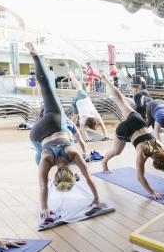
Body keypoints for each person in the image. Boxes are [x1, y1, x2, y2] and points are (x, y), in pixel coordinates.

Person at [26, 42, 105, 219]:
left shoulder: (73, 154)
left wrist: (97, 198)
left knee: (47, 89)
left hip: (54, 120)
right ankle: (42, 116)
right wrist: (44, 209)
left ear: (71, 173)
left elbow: (89, 177)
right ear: (57, 176)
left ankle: (35, 55)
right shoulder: (47, 160)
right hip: (37, 134)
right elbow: (44, 186)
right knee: (39, 157)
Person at [101, 75, 164, 199]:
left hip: (137, 121)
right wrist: (152, 193)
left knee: (121, 101)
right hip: (125, 129)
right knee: (116, 152)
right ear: (154, 162)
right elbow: (140, 177)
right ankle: (104, 163)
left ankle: (106, 80)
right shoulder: (143, 153)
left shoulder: (163, 149)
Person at [69, 73, 109, 142]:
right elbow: (82, 128)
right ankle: (69, 132)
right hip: (77, 103)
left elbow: (102, 125)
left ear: (95, 121)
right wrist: (105, 136)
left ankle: (71, 76)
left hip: (84, 97)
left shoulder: (95, 115)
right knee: (75, 116)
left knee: (79, 87)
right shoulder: (84, 117)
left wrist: (106, 135)